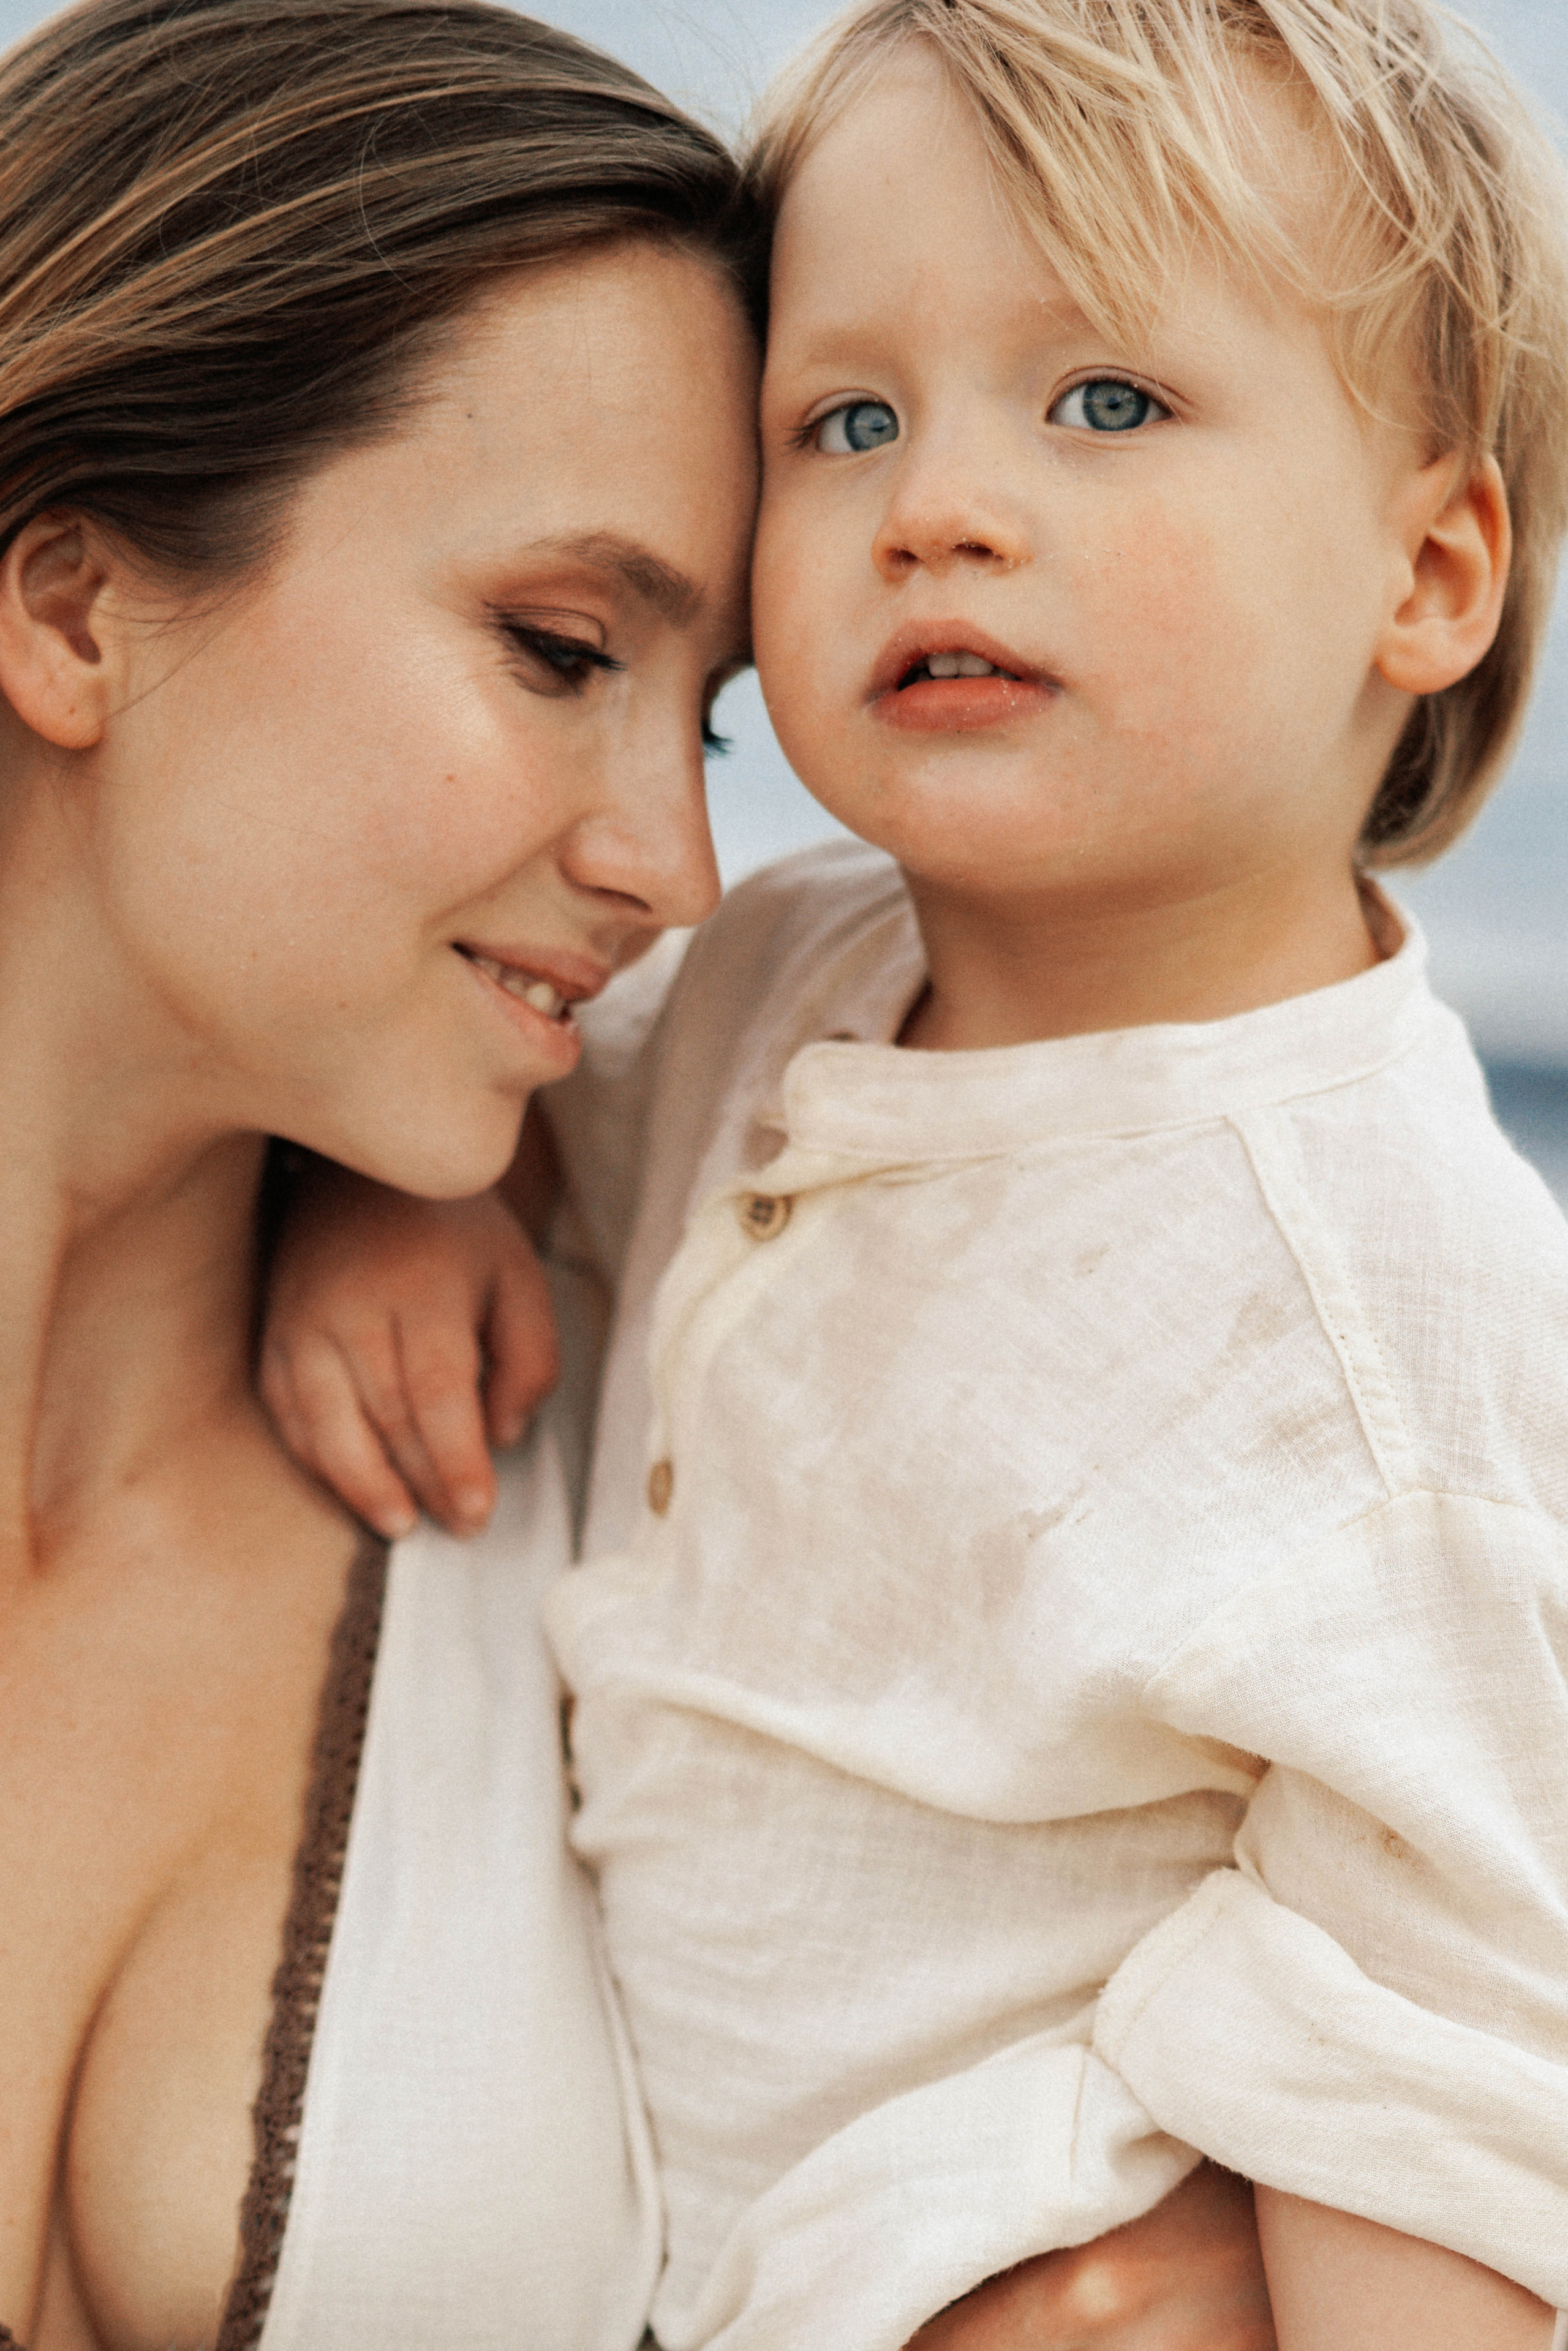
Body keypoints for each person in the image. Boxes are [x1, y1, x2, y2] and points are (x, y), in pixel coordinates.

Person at [260, 0, 1568, 2343]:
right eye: (845, 418)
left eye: (1106, 404)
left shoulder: (1401, 1304)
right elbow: (511, 1094)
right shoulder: (782, 971)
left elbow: (1461, 2076)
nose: (935, 502)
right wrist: (407, 1198)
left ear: (1435, 571)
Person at [0, 0, 1272, 2342]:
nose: (682, 866)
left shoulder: (689, 1453)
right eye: (554, 644)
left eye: (694, 715)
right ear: (72, 605)